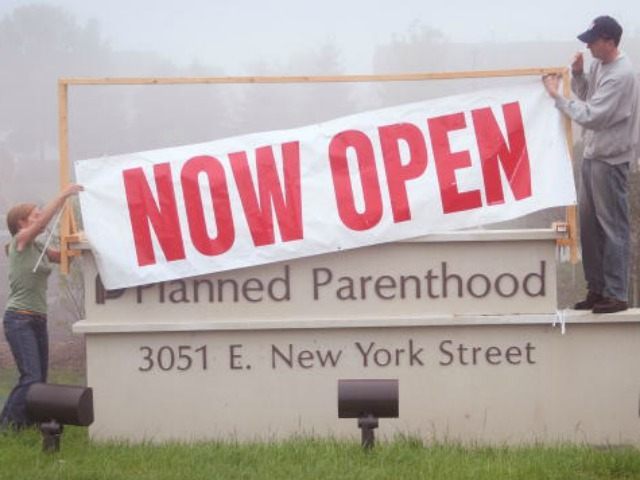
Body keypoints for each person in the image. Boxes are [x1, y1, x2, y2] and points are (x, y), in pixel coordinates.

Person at [542, 15, 640, 314]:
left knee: (613, 228)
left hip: (611, 160)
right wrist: (580, 76)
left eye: (593, 41)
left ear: (610, 41)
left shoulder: (622, 75)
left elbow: (592, 116)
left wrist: (557, 97)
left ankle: (615, 293)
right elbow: (591, 99)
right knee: (589, 226)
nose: (589, 46)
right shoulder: (600, 65)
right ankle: (597, 289)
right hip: (594, 155)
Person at [0, 183, 83, 429]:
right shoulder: (21, 241)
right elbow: (42, 224)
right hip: (19, 318)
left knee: (39, 379)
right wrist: (63, 195)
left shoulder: (38, 247)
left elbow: (66, 256)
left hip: (37, 319)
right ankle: (7, 426)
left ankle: (25, 423)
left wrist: (78, 238)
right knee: (31, 378)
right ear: (22, 223)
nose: (40, 218)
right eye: (35, 214)